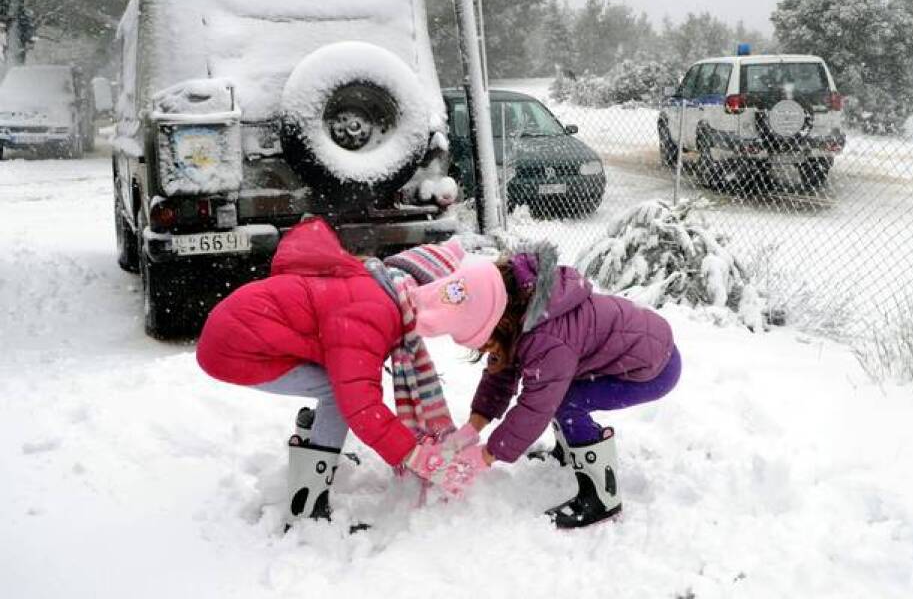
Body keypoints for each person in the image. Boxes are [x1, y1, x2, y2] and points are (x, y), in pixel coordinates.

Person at [195, 217, 505, 529]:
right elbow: (361, 406)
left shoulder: (373, 287)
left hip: (239, 330)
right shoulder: (373, 310)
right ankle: (308, 505)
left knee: (338, 383)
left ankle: (315, 442)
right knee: (338, 394)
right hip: (235, 347)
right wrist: (415, 455)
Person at [417, 241, 681, 528]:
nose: (486, 352)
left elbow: (536, 407)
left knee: (564, 401)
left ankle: (601, 498)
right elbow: (501, 371)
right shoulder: (520, 310)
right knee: (558, 391)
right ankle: (568, 450)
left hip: (653, 368)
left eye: (487, 344)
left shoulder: (546, 340)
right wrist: (473, 427)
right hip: (634, 348)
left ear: (500, 325)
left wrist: (485, 456)